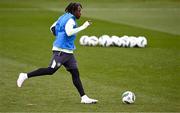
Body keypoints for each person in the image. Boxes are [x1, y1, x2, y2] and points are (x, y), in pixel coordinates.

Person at [17, 2, 98, 104]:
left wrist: (59, 36)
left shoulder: (63, 17)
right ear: (73, 11)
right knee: (51, 70)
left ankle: (84, 97)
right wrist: (84, 26)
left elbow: (52, 28)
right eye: (79, 11)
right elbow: (69, 32)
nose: (80, 13)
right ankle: (24, 75)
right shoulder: (70, 20)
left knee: (75, 73)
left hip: (68, 52)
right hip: (61, 52)